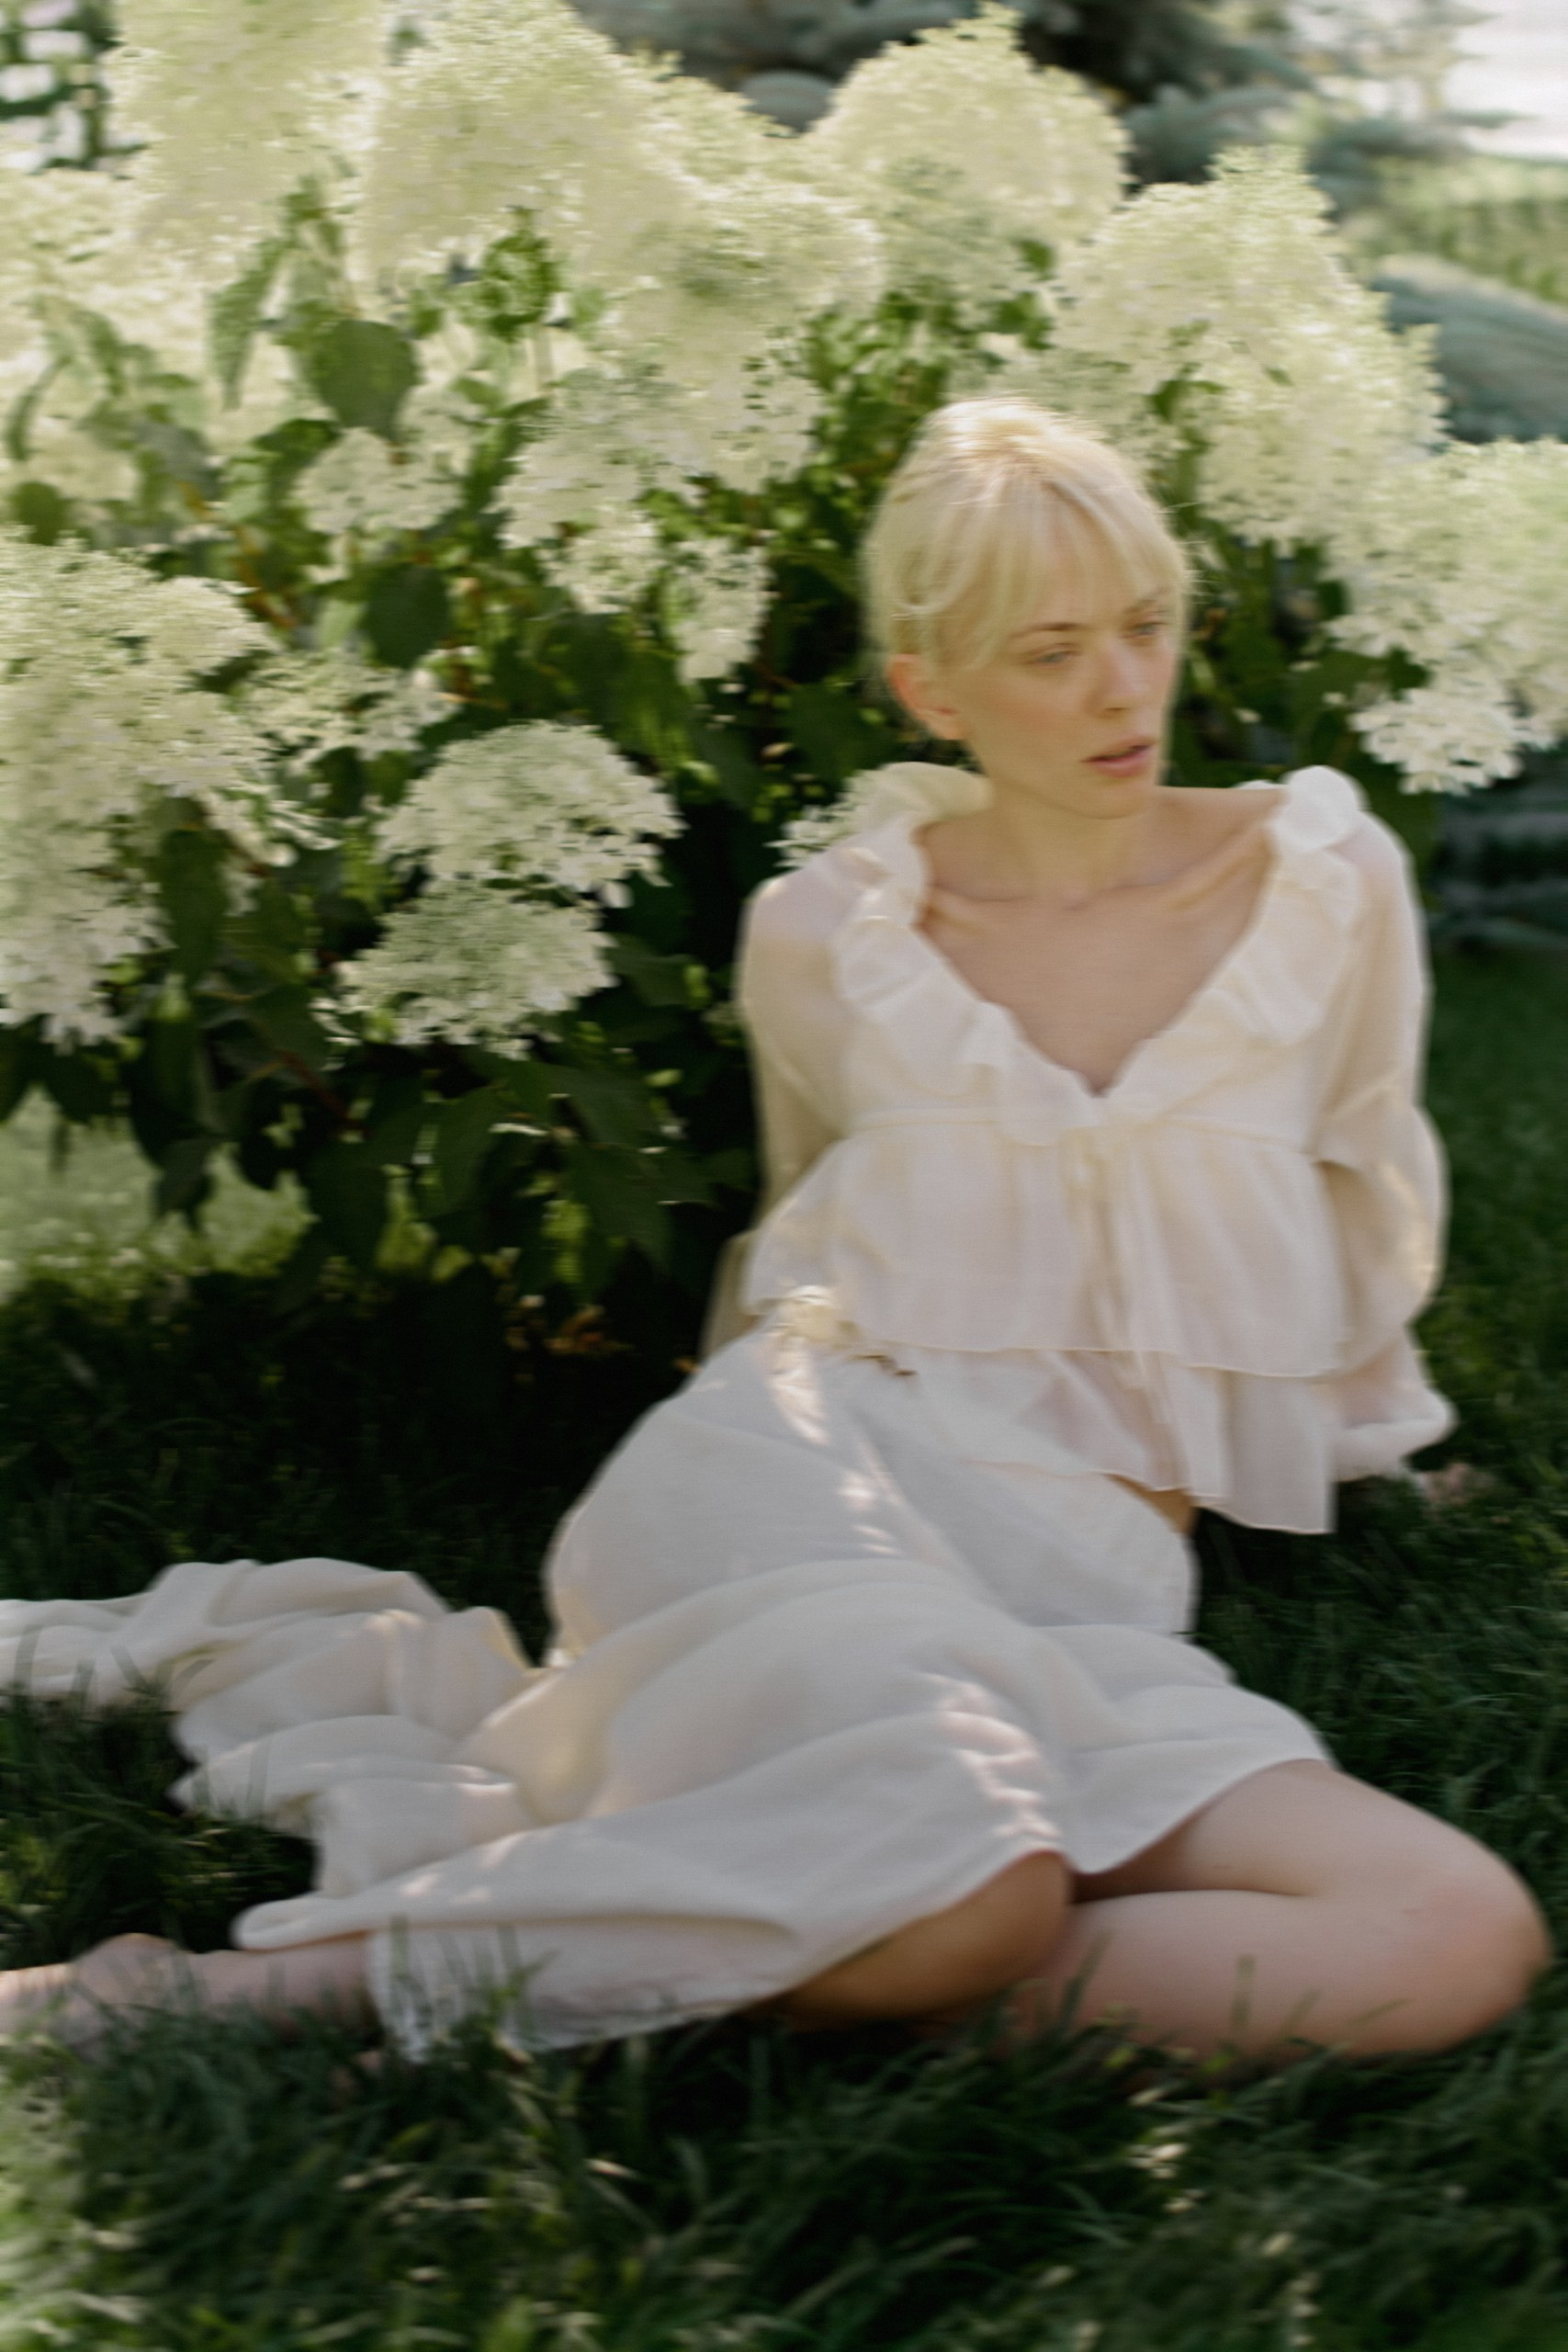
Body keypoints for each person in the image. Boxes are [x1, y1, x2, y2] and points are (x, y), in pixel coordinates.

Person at [0, 399, 1547, 2063]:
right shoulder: (827, 932)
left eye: (1148, 624)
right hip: (814, 1475)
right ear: (930, 692)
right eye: (1051, 652)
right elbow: (798, 1227)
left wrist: (1375, 1442)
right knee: (977, 1878)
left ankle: (764, 1948)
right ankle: (217, 1998)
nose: (1124, 688)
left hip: (1086, 1595)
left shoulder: (1322, 879)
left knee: (1448, 1936)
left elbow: (1359, 1175)